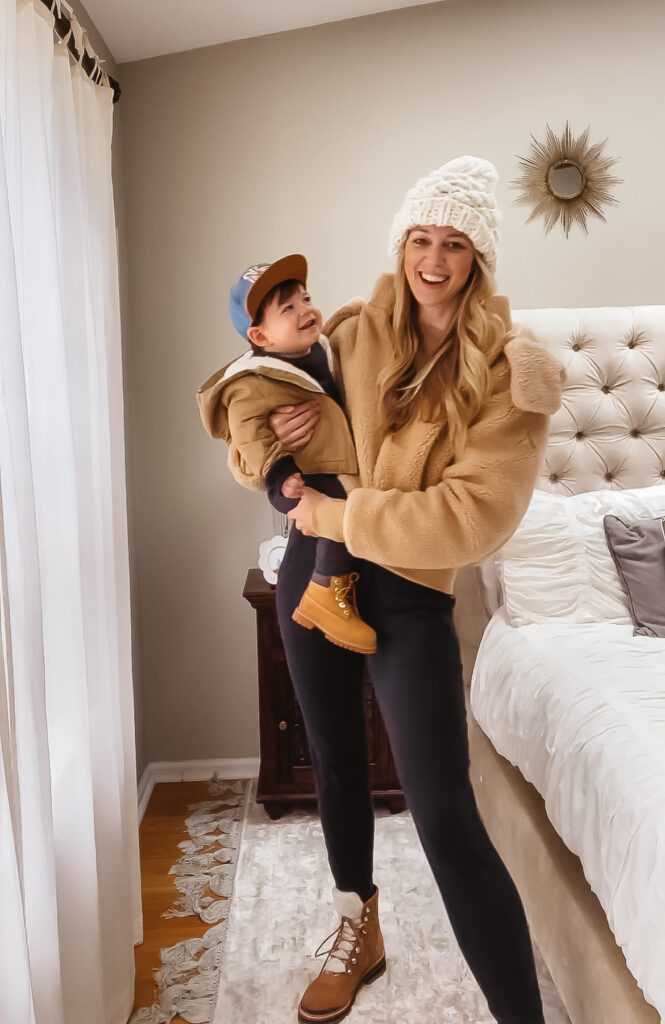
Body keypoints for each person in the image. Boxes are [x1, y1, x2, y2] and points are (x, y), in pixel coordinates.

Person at [266, 157, 565, 1024]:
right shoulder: (351, 336)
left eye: (455, 244)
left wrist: (338, 516)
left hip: (405, 601)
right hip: (309, 579)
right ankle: (356, 927)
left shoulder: (515, 374)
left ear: (479, 259)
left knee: (441, 809)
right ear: (402, 244)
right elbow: (255, 424)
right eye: (420, 239)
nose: (432, 260)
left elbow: (469, 521)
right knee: (333, 763)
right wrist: (278, 448)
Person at [196, 255, 376, 654]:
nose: (305, 310)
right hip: (296, 477)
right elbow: (246, 435)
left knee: (346, 504)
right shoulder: (253, 380)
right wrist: (279, 471)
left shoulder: (327, 350)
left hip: (342, 480)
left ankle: (333, 588)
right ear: (261, 337)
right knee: (335, 507)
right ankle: (326, 587)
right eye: (288, 308)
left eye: (306, 298)